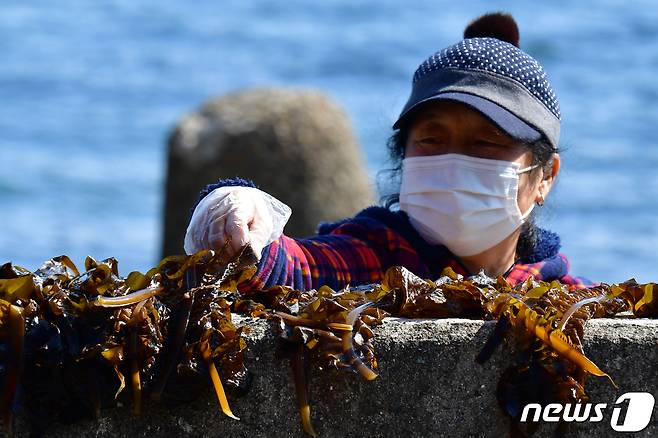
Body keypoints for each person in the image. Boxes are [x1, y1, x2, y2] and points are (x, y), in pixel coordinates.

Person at [183, 13, 592, 293]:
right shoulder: (377, 258)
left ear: (545, 176)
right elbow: (298, 268)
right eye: (431, 140)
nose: (453, 163)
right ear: (404, 156)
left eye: (486, 143)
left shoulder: (563, 296)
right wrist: (237, 216)